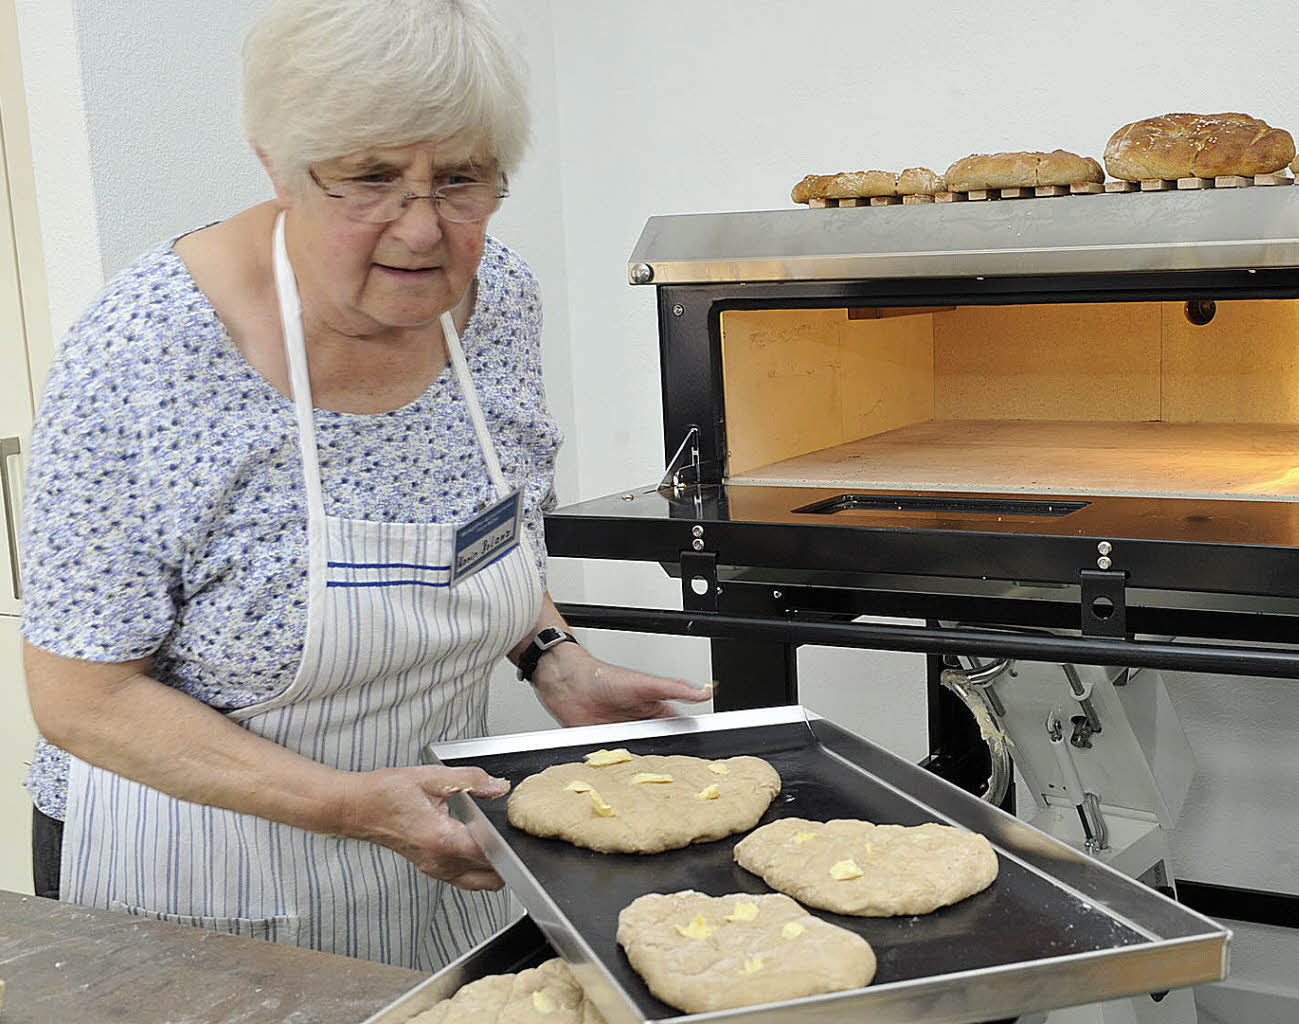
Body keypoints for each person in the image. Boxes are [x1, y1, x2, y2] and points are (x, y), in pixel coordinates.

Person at [20, 0, 708, 971]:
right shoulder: (151, 352)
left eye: (461, 180)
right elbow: (81, 699)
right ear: (278, 164)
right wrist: (350, 807)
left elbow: (479, 532)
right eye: (372, 179)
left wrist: (554, 655)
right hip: (198, 876)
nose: (423, 229)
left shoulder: (496, 299)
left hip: (437, 847)